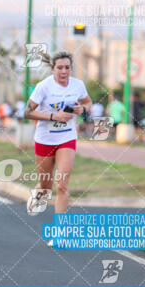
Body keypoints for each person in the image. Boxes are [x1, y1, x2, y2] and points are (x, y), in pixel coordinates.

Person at [24, 51, 92, 244]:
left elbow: (88, 102)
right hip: (44, 139)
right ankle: (38, 192)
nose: (64, 71)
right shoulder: (43, 86)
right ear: (53, 69)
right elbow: (28, 112)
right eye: (60, 68)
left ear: (71, 68)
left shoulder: (78, 85)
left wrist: (83, 109)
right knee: (47, 187)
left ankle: (59, 232)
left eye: (67, 67)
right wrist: (54, 117)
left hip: (67, 138)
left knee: (61, 185)